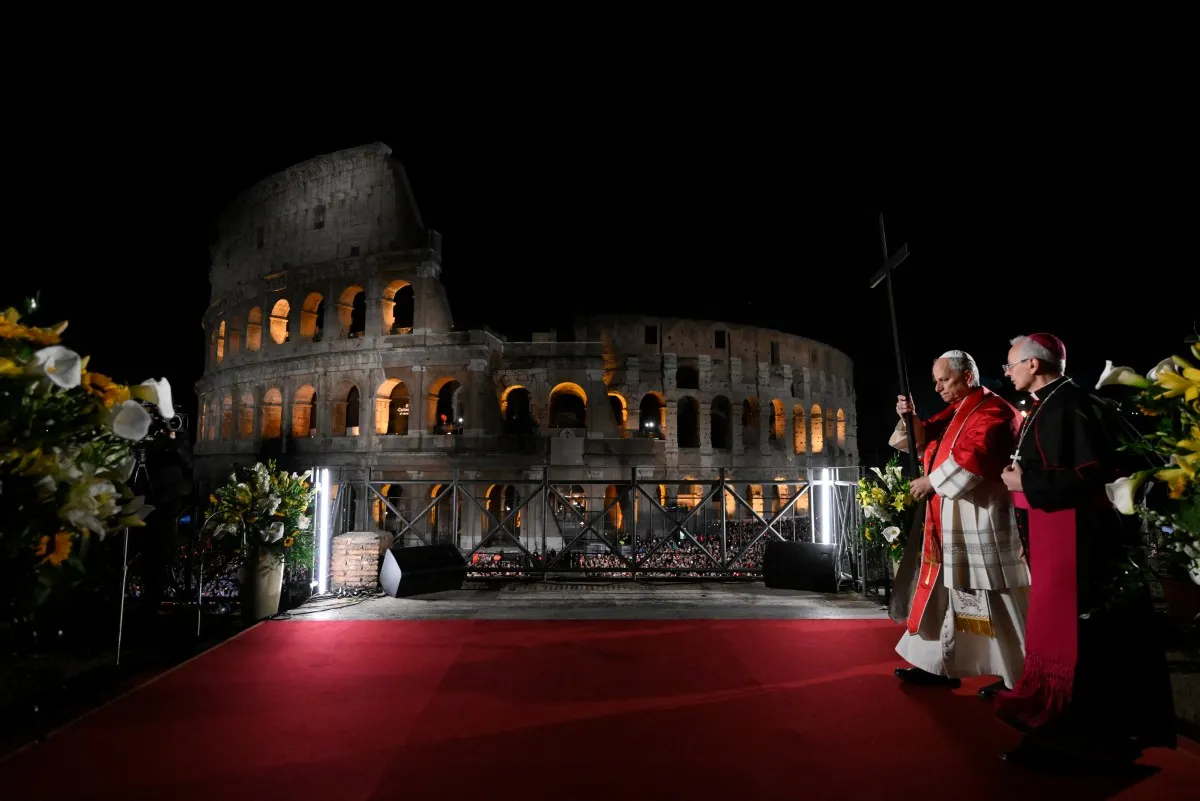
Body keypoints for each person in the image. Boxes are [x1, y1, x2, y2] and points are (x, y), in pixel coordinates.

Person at [996, 333, 1176, 766]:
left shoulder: (1067, 405)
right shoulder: (1056, 402)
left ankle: (1075, 737)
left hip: (1081, 542)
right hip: (1061, 534)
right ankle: (1072, 729)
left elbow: (1090, 476)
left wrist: (1026, 483)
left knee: (1084, 638)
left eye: (1011, 364)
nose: (1007, 371)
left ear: (1034, 365)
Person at [888, 351, 1031, 695]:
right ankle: (937, 666)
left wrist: (931, 483)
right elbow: (921, 441)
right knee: (944, 595)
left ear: (967, 377)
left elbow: (976, 455)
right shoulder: (957, 410)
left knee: (994, 597)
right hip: (949, 518)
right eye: (935, 381)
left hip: (979, 518)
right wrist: (909, 418)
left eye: (944, 380)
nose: (937, 388)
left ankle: (1020, 676)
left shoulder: (993, 410)